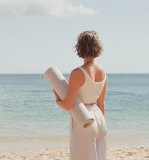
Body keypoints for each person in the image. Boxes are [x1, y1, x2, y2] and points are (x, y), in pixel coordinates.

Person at [53, 30, 108, 160]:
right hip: (100, 119)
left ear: (80, 47)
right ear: (97, 47)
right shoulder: (103, 72)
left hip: (83, 118)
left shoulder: (78, 73)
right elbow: (101, 103)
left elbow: (68, 105)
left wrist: (57, 98)